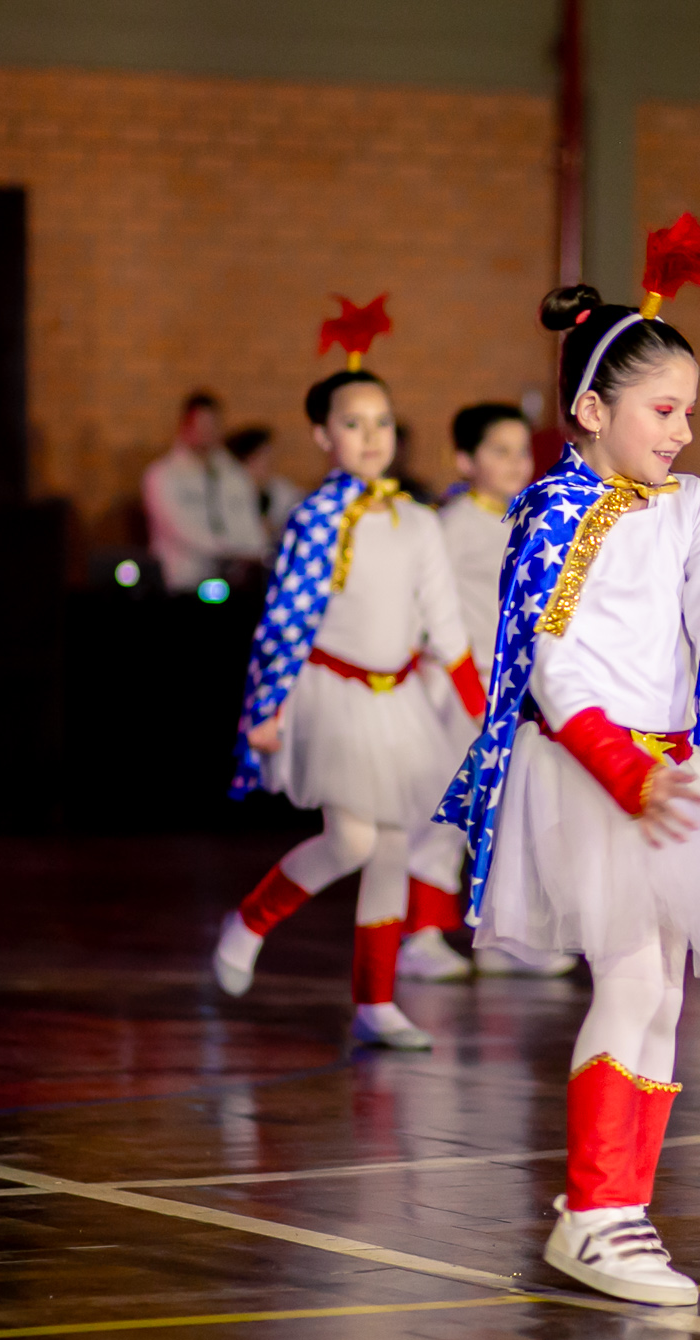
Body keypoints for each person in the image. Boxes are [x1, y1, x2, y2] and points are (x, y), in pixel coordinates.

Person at [439, 215, 700, 1307]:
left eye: (690, 409)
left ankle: (618, 1207)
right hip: (595, 773)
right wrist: (621, 767)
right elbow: (547, 664)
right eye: (662, 409)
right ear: (590, 411)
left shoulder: (690, 507)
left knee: (666, 995)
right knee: (632, 976)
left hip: (675, 768)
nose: (684, 431)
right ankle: (595, 1214)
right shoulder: (554, 510)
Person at [212, 298, 486, 1050]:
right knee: (358, 839)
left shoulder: (420, 519)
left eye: (383, 423)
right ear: (322, 435)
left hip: (395, 699)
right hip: (326, 693)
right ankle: (250, 919)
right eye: (354, 423)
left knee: (391, 845)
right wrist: (264, 708)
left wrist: (484, 714)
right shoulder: (314, 518)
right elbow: (285, 622)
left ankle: (375, 1001)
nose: (372, 437)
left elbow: (448, 628)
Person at [398, 402, 574, 981]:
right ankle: (419, 934)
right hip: (457, 690)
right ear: (464, 460)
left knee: (512, 809)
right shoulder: (452, 525)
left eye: (522, 450)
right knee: (446, 812)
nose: (516, 462)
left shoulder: (533, 518)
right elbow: (425, 611)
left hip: (515, 690)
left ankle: (504, 933)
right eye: (499, 451)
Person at [142, 391, 270, 594]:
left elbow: (249, 523)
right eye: (201, 425)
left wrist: (257, 555)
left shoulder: (234, 475)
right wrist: (228, 552)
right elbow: (180, 529)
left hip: (236, 583)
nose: (206, 433)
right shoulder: (162, 476)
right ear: (185, 425)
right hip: (183, 583)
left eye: (212, 425)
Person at [228, 424, 303, 543]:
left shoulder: (279, 488)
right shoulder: (231, 492)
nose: (271, 462)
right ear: (249, 459)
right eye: (264, 456)